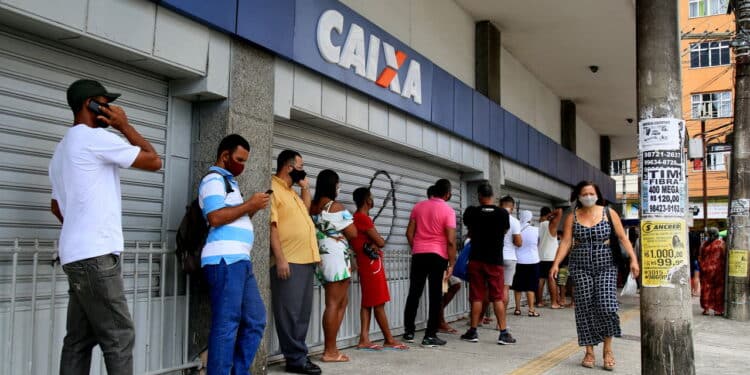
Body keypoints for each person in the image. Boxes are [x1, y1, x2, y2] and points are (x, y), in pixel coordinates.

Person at [49, 79, 162, 375]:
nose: (111, 109)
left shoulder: (61, 150)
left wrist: (81, 221)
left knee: (78, 340)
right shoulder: (93, 137)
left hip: (74, 255)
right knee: (120, 337)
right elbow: (154, 160)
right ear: (91, 105)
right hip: (96, 256)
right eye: (105, 103)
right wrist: (124, 125)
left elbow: (56, 207)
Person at [198, 134, 270, 374]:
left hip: (239, 260)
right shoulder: (213, 180)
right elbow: (215, 217)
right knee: (226, 324)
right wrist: (249, 205)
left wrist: (252, 209)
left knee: (256, 319)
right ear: (225, 155)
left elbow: (231, 217)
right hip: (224, 260)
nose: (242, 166)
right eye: (239, 159)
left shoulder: (230, 183)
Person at [550, 181, 639, 371]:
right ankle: (589, 351)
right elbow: (566, 242)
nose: (588, 196)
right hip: (580, 265)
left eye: (591, 193)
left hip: (606, 265)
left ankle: (608, 350)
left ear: (597, 194)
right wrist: (556, 263)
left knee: (607, 306)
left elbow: (623, 237)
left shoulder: (608, 213)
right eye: (585, 193)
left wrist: (634, 259)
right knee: (584, 308)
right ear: (579, 196)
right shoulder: (572, 216)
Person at [270, 150, 321, 375]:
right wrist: (280, 259)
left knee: (302, 313)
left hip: (305, 259)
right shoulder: (273, 189)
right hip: (289, 260)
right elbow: (272, 226)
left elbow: (307, 210)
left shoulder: (291, 192)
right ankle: (296, 358)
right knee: (289, 312)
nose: (303, 169)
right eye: (301, 165)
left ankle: (297, 357)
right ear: (289, 167)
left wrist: (305, 188)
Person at [350, 187, 408, 351]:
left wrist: (374, 243)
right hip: (371, 265)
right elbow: (381, 242)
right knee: (379, 302)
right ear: (367, 200)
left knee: (368, 302)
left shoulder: (356, 218)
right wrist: (376, 242)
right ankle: (389, 339)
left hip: (365, 264)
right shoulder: (363, 219)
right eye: (372, 197)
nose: (373, 199)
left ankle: (364, 338)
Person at [309, 170, 357, 362]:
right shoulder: (335, 207)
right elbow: (352, 233)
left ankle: (332, 347)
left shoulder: (312, 207)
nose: (339, 187)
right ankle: (330, 351)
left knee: (340, 302)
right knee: (333, 304)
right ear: (333, 185)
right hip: (336, 258)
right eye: (338, 184)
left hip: (321, 257)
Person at [459, 183, 516, 345]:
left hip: (476, 260)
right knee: (497, 296)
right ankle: (503, 333)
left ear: (479, 196)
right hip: (495, 261)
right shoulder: (502, 214)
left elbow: (469, 229)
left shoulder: (472, 212)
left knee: (476, 296)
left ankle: (473, 331)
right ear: (493, 196)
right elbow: (504, 231)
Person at [403, 179, 457, 347]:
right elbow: (450, 240)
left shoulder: (418, 207)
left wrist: (417, 247)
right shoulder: (448, 211)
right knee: (436, 297)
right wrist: (451, 263)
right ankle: (429, 336)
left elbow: (409, 233)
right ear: (447, 194)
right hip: (437, 256)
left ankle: (409, 332)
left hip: (419, 254)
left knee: (414, 293)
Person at [512, 210, 541, 317]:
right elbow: (538, 243)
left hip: (518, 261)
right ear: (531, 218)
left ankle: (517, 309)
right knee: (531, 287)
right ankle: (531, 310)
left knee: (518, 286)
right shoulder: (536, 230)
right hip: (533, 261)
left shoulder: (516, 229)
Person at [499, 196, 522, 312]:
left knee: (490, 288)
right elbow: (518, 242)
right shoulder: (515, 222)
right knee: (505, 289)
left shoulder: (494, 219)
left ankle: (483, 317)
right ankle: (501, 322)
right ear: (512, 207)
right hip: (510, 258)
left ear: (500, 205)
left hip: (495, 257)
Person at [537, 207, 563, 308]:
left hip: (541, 256)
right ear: (548, 214)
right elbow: (560, 211)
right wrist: (550, 215)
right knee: (552, 278)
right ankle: (554, 303)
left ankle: (539, 302)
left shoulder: (539, 225)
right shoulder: (550, 224)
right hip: (551, 256)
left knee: (541, 279)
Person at [699, 228, 726, 316]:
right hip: (718, 269)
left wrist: (703, 265)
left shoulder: (704, 244)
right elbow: (725, 255)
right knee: (718, 289)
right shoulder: (721, 243)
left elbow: (700, 256)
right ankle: (718, 310)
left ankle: (706, 309)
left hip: (706, 269)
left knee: (706, 288)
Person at [689, 231, 701, 297]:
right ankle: (695, 291)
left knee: (690, 277)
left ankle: (690, 291)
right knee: (696, 277)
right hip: (695, 260)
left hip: (689, 260)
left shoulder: (687, 242)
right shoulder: (697, 243)